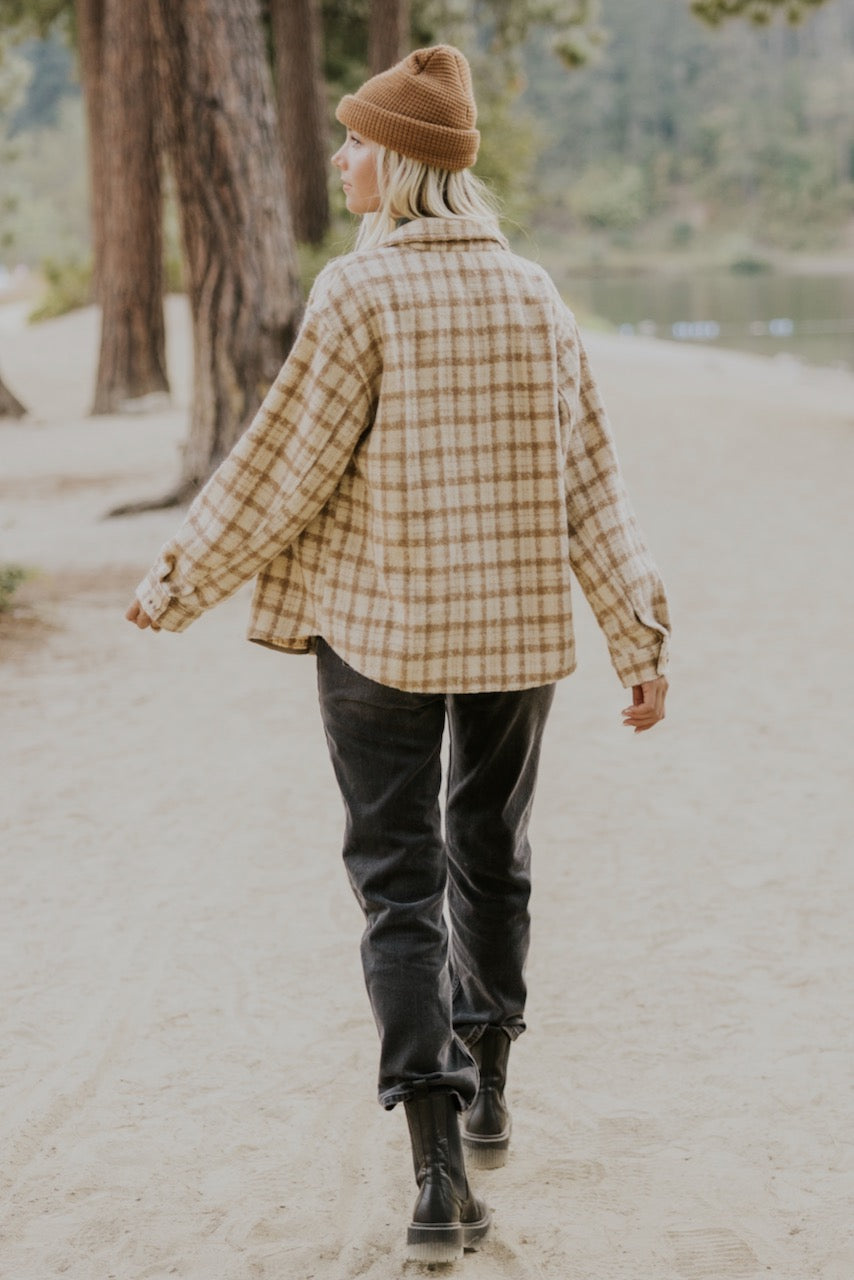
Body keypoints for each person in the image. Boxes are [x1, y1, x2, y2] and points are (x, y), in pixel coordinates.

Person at [126, 44, 670, 1263]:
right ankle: (488, 1090)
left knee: (397, 883)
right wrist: (635, 632)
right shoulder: (534, 294)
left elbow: (282, 464)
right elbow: (593, 481)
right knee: (491, 852)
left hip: (380, 637)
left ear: (406, 163)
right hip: (515, 633)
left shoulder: (358, 293)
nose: (340, 157)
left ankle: (436, 1179)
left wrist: (179, 579)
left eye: (357, 141)